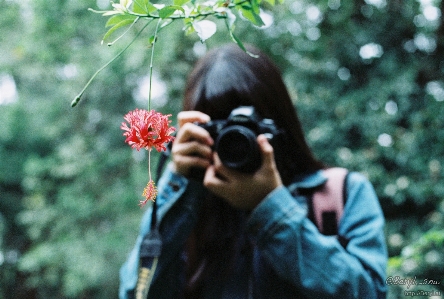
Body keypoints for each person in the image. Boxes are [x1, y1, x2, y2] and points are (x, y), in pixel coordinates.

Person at [119, 43, 387, 299]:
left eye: (247, 126)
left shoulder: (340, 193)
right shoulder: (189, 207)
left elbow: (370, 293)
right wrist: (178, 183)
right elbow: (136, 293)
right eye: (219, 129)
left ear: (278, 123)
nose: (233, 141)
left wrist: (270, 207)